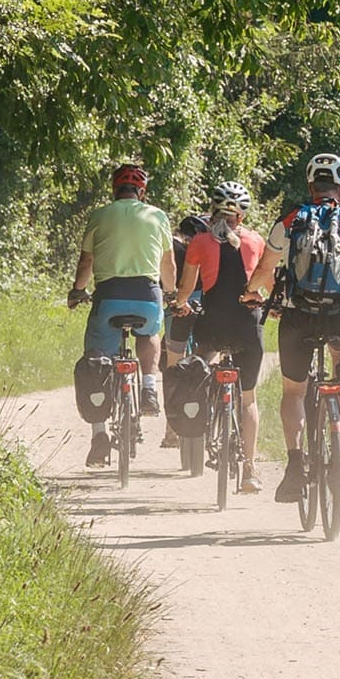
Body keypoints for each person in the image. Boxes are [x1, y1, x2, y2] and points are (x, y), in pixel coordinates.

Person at [247, 152, 340, 503]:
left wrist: (250, 293)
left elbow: (264, 268)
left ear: (310, 185)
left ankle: (294, 464)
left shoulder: (291, 221)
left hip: (297, 316)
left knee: (294, 393)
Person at [66, 161, 177, 469]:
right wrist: (171, 295)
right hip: (146, 295)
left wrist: (77, 290)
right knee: (149, 334)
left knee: (96, 356)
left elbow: (86, 262)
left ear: (115, 190)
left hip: (109, 296)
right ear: (141, 192)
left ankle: (100, 437)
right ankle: (149, 390)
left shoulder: (99, 215)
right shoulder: (157, 216)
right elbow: (168, 266)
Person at [171, 181, 270, 491]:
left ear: (212, 211)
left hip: (212, 327)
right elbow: (265, 285)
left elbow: (187, 289)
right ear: (241, 216)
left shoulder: (199, 243)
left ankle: (199, 417)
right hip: (247, 329)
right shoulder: (256, 241)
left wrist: (180, 304)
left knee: (200, 365)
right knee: (248, 399)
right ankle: (250, 470)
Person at [160, 206, 209, 449]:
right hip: (205, 309)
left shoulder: (174, 247)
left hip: (178, 308)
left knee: (172, 367)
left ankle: (171, 431)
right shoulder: (209, 249)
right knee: (209, 361)